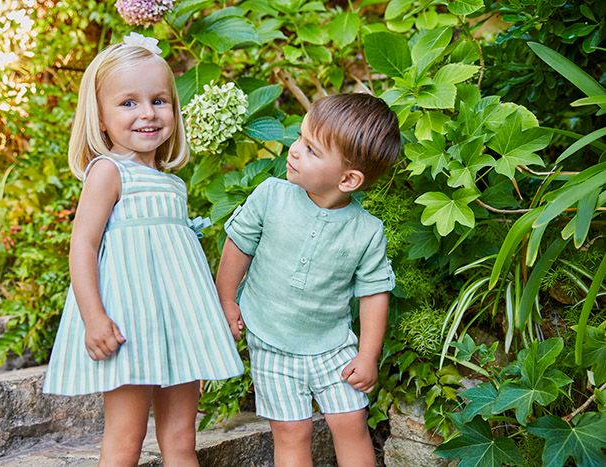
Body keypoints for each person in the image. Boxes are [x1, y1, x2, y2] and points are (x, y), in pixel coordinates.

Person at [43, 32, 243, 467]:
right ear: (99, 117)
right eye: (128, 103)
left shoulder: (173, 183)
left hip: (178, 329)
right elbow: (83, 244)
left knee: (181, 441)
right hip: (128, 327)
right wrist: (94, 316)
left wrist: (212, 314)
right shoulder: (108, 172)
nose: (147, 113)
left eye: (159, 100)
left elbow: (177, 262)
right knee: (124, 441)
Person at [216, 93, 400, 467]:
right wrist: (227, 299)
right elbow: (238, 245)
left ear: (348, 179)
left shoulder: (366, 231)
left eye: (312, 150)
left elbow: (374, 294)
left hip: (333, 346)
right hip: (271, 340)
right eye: (300, 138)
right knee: (292, 432)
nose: (295, 150)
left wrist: (367, 356)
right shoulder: (271, 196)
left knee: (350, 421)